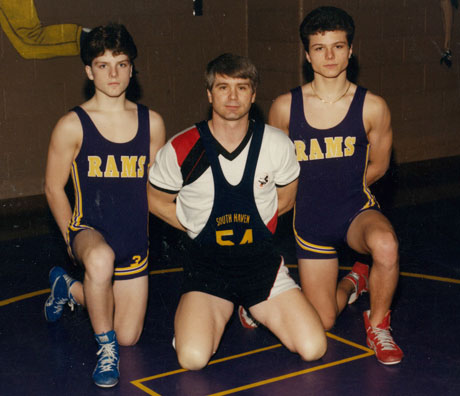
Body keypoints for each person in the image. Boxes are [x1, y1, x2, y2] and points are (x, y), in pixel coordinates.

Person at [148, 53, 327, 371]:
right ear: (209, 94)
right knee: (192, 359)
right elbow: (155, 200)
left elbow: (285, 200)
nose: (232, 97)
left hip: (262, 270)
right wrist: (195, 226)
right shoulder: (183, 147)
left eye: (242, 87)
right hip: (208, 273)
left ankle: (251, 307)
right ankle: (199, 322)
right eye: (222, 87)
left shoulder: (276, 144)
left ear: (254, 95)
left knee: (313, 348)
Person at [268, 6, 403, 365]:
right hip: (310, 220)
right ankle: (353, 282)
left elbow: (380, 164)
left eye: (338, 46)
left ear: (351, 50)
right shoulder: (284, 107)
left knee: (386, 245)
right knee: (324, 319)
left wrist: (343, 187)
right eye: (319, 47)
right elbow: (275, 168)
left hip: (354, 211)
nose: (329, 56)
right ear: (307, 53)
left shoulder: (372, 106)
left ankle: (378, 325)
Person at [43, 23, 165, 387]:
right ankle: (104, 349)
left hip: (133, 242)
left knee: (129, 334)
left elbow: (155, 189)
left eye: (122, 64)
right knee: (99, 260)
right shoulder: (72, 125)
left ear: (132, 68)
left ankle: (68, 287)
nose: (113, 74)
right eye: (102, 65)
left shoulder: (152, 123)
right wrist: (71, 239)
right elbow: (52, 187)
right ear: (88, 70)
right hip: (89, 232)